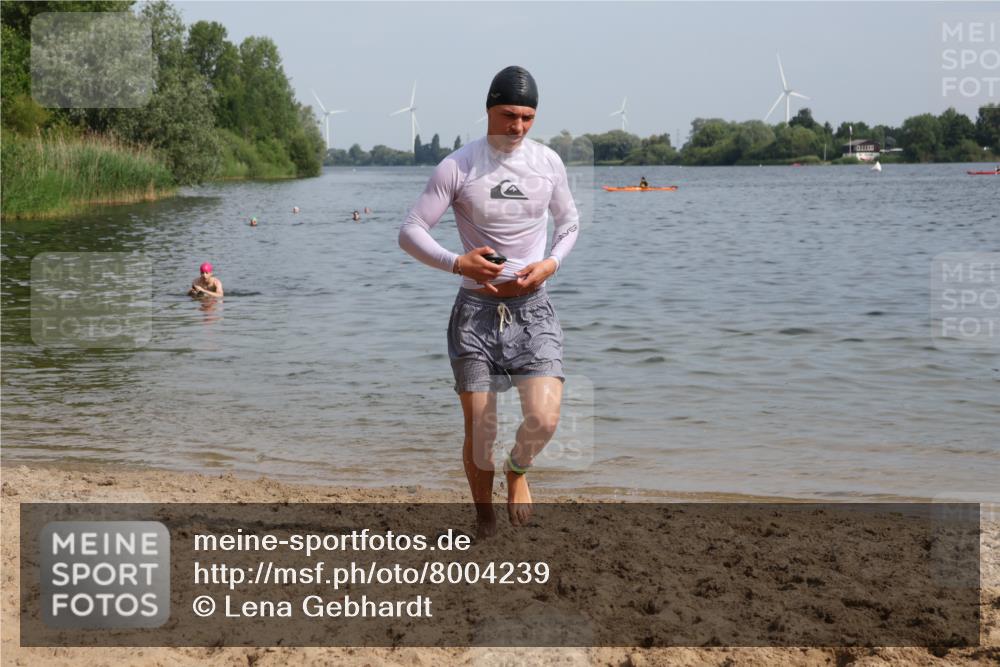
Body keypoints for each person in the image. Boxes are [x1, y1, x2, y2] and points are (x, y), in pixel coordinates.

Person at [398, 65, 580, 538]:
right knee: (481, 434)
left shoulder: (549, 164)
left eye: (526, 117)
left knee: (543, 418)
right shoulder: (458, 167)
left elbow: (569, 224)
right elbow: (410, 231)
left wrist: (551, 263)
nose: (516, 126)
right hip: (475, 316)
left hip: (533, 310)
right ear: (488, 110)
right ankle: (484, 518)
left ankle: (518, 471)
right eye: (507, 115)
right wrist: (458, 263)